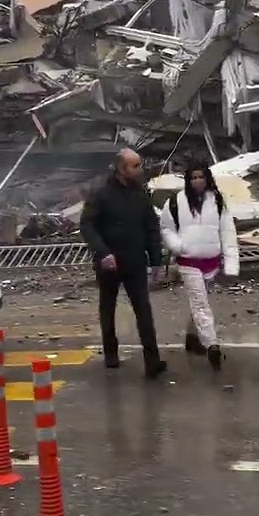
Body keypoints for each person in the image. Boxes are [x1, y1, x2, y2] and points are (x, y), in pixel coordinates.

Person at [80, 148, 167, 379]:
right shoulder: (101, 193)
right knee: (108, 307)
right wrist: (103, 253)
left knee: (143, 309)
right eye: (135, 166)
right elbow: (87, 225)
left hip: (135, 260)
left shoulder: (140, 193)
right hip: (109, 263)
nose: (140, 169)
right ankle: (110, 352)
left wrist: (156, 260)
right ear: (121, 168)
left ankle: (152, 360)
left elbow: (151, 226)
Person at [159, 165, 239, 371]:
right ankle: (212, 344)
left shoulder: (218, 200)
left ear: (207, 178)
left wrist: (231, 264)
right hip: (188, 261)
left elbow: (227, 231)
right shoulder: (176, 202)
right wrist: (179, 246)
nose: (197, 181)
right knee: (201, 304)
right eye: (193, 177)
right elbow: (166, 228)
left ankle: (192, 338)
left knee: (199, 301)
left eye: (200, 177)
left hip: (211, 261)